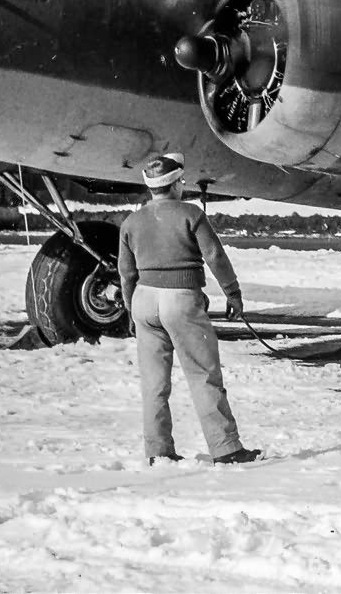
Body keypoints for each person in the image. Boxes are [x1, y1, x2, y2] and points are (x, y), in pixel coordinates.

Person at [118, 152, 262, 463]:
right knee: (203, 375)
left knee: (154, 383)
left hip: (144, 300)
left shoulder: (131, 221)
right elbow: (215, 256)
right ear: (176, 184)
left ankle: (158, 452)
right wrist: (232, 293)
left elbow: (126, 273)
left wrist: (132, 309)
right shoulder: (190, 213)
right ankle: (226, 449)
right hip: (180, 299)